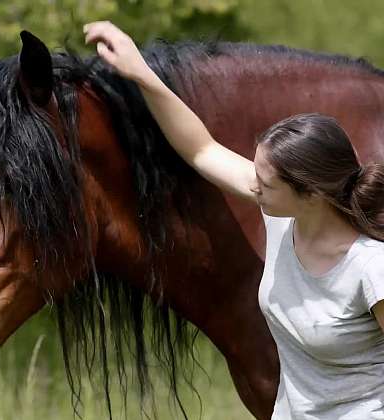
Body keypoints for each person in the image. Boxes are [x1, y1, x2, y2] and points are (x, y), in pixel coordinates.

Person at [83, 21, 384, 419]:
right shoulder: (282, 218)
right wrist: (142, 73)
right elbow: (201, 149)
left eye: (266, 182)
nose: (253, 185)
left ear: (310, 194)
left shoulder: (370, 269)